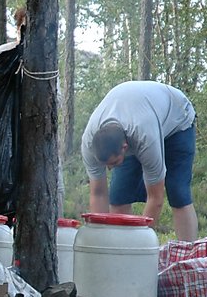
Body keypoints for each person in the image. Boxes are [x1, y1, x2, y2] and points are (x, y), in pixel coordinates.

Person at [80, 80, 198, 241]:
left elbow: (155, 198)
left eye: (113, 163)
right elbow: (98, 193)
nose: (109, 169)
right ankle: (118, 247)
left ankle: (188, 252)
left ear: (125, 147)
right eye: (105, 164)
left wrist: (139, 244)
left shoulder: (144, 137)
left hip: (178, 119)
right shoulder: (89, 144)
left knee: (177, 191)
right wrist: (100, 238)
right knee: (119, 195)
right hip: (138, 115)